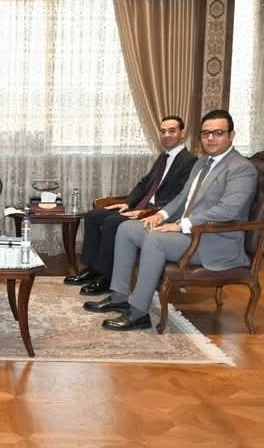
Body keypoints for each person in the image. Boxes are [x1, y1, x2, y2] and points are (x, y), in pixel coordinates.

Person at [84, 110, 258, 330]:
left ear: (231, 135)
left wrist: (179, 224)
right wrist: (161, 215)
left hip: (214, 242)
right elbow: (183, 197)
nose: (210, 138)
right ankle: (119, 296)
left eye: (218, 133)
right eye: (205, 133)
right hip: (189, 235)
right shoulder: (202, 162)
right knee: (127, 229)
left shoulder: (241, 169)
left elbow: (228, 210)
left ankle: (139, 312)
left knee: (155, 240)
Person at [65, 115, 197, 295]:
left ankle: (107, 277)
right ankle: (93, 269)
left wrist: (148, 212)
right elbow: (145, 183)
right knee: (92, 216)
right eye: (163, 131)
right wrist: (127, 203)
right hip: (140, 208)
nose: (166, 135)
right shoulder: (164, 157)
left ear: (182, 133)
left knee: (112, 222)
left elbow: (180, 198)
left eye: (172, 131)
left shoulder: (189, 161)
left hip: (156, 214)